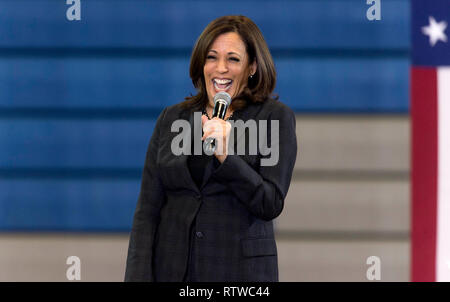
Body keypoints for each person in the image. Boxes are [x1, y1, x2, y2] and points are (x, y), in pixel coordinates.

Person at [124, 15, 297, 282]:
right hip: (173, 273)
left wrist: (227, 157)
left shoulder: (274, 117)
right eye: (212, 57)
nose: (221, 68)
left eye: (233, 59)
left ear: (252, 66)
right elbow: (147, 212)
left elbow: (270, 202)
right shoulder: (172, 118)